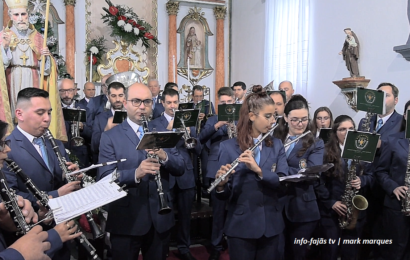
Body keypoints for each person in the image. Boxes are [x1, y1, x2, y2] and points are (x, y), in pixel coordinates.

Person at [97, 83, 185, 260]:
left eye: (147, 101)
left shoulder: (162, 132)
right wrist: (135, 174)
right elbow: (105, 178)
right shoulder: (110, 137)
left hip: (160, 218)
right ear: (125, 103)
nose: (142, 107)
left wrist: (164, 155)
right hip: (126, 221)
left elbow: (181, 167)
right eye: (136, 101)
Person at [215, 85, 288, 260]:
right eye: (268, 116)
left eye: (274, 116)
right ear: (252, 116)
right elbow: (222, 197)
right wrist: (221, 186)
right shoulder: (228, 147)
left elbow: (283, 181)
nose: (273, 121)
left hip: (271, 225)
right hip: (241, 226)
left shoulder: (277, 145)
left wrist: (259, 171)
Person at [0, 119, 82, 260]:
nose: (7, 149)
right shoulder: (10, 156)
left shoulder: (55, 143)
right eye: (1, 144)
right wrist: (54, 237)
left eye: (49, 112)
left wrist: (40, 218)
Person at [273, 95, 327, 260]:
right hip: (276, 205)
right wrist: (293, 170)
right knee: (278, 253)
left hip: (303, 208)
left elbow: (310, 173)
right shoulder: (275, 139)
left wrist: (280, 169)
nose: (300, 123)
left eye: (304, 119)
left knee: (298, 254)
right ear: (286, 118)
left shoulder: (316, 143)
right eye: (295, 119)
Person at [150, 89, 201, 260]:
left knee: (186, 216)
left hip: (185, 175)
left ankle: (184, 248)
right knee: (165, 217)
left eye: (175, 102)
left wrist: (189, 132)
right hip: (166, 175)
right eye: (169, 102)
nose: (173, 106)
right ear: (163, 103)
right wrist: (170, 129)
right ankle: (163, 249)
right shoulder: (155, 124)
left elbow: (197, 148)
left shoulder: (188, 121)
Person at [357, 82, 402, 259]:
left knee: (385, 235)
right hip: (365, 182)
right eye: (379, 95)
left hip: (387, 185)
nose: (382, 99)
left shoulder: (401, 123)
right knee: (364, 232)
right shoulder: (365, 121)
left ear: (396, 100)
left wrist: (383, 145)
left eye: (387, 95)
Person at [319, 115, 372, 260]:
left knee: (351, 253)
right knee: (330, 252)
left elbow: (373, 175)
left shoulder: (364, 151)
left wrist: (363, 180)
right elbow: (318, 181)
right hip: (332, 212)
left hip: (355, 212)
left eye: (351, 129)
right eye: (342, 129)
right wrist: (331, 202)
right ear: (335, 132)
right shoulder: (325, 152)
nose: (347, 132)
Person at [0, 0, 55, 118]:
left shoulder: (38, 37)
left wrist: (46, 57)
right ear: (10, 16)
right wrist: (4, 48)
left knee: (33, 111)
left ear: (28, 15)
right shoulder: (4, 36)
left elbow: (45, 71)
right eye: (16, 15)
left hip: (33, 77)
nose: (20, 18)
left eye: (23, 14)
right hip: (12, 77)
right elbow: (2, 66)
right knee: (15, 111)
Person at [199, 87, 235, 260]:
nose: (226, 104)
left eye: (229, 102)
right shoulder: (212, 119)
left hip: (237, 168)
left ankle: (234, 240)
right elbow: (202, 138)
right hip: (217, 168)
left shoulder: (241, 119)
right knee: (218, 210)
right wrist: (217, 124)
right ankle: (215, 245)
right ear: (218, 103)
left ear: (234, 102)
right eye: (223, 102)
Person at [374, 100, 410, 260]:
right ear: (405, 116)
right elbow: (380, 171)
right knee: (397, 250)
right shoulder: (393, 140)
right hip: (397, 205)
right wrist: (393, 187)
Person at [59, 79, 90, 168]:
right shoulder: (55, 110)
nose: (66, 94)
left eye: (69, 90)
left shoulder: (86, 109)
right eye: (63, 91)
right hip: (61, 154)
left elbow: (93, 134)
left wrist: (83, 127)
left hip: (81, 156)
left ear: (75, 91)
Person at [92, 82, 125, 164]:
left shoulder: (133, 117)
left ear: (125, 96)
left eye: (120, 95)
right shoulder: (99, 118)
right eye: (114, 96)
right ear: (108, 97)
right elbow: (94, 147)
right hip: (108, 163)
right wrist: (106, 130)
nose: (117, 99)